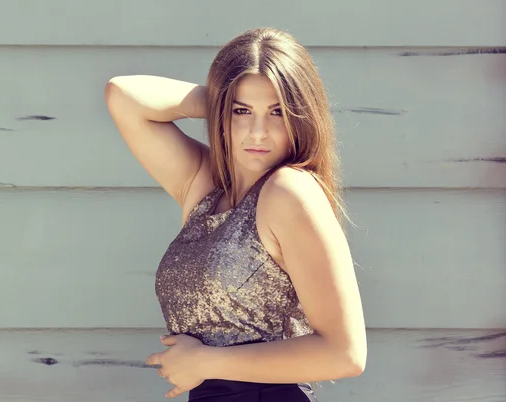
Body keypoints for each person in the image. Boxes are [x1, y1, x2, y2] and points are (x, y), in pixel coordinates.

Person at [104, 27, 367, 401]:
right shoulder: (205, 186)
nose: (257, 133)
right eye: (242, 111)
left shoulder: (289, 190)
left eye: (277, 112)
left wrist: (208, 363)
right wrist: (220, 101)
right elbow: (124, 96)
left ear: (300, 117)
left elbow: (345, 354)